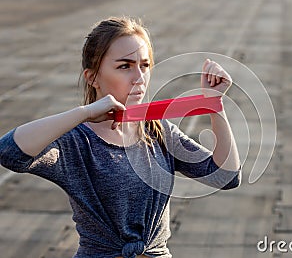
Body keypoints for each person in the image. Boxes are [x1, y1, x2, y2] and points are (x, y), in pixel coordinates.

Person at [0, 16, 241, 258]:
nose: (139, 77)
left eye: (144, 65)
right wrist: (85, 113)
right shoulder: (76, 142)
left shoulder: (159, 131)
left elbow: (226, 176)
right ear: (92, 77)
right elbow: (9, 152)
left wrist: (214, 104)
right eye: (125, 66)